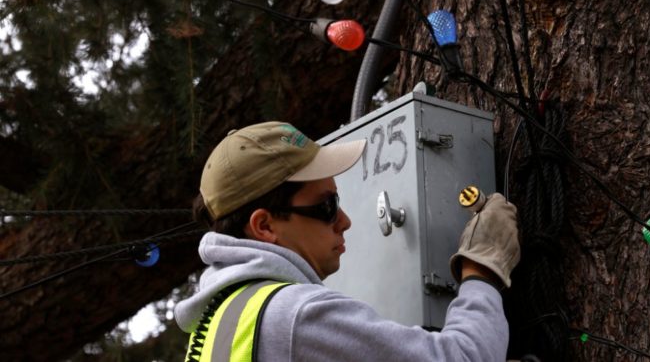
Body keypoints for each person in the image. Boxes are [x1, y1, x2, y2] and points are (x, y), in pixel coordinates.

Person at [175, 121, 521, 361]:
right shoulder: (296, 315)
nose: (346, 222)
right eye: (327, 207)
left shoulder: (220, 326)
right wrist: (480, 269)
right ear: (265, 226)